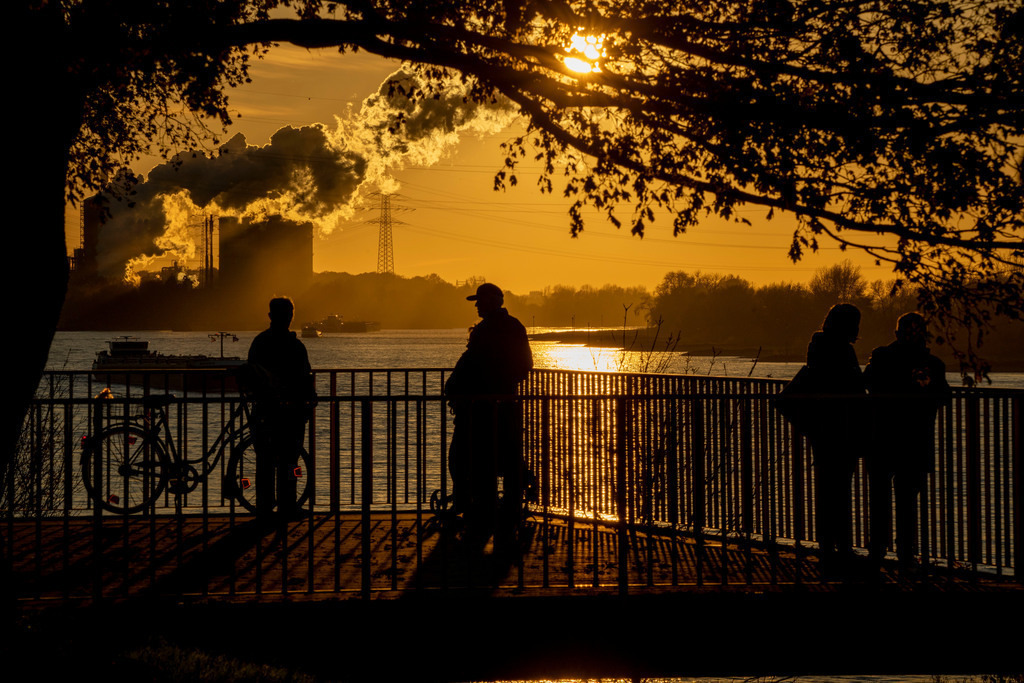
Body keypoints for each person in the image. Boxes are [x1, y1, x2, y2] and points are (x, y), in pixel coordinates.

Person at [444, 283, 533, 547]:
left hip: (481, 405)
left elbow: (473, 363)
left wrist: (460, 388)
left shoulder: (487, 331)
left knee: (467, 457)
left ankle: (476, 508)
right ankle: (506, 509)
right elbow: (524, 364)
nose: (476, 305)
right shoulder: (513, 327)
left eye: (480, 300)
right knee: (505, 455)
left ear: (494, 300)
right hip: (503, 403)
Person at [864, 312, 950, 572]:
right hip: (915, 439)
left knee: (879, 497)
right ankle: (906, 554)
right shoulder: (932, 364)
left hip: (881, 436)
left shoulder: (881, 357)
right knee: (908, 499)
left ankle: (877, 552)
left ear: (896, 333)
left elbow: (867, 384)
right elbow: (943, 396)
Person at [802, 303, 866, 577]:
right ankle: (841, 549)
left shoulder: (817, 345)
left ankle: (829, 548)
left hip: (823, 425)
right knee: (840, 488)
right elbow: (853, 383)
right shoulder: (842, 349)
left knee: (828, 488)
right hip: (842, 425)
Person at [246, 296, 316, 520]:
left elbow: (252, 376)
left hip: (264, 411)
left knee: (264, 463)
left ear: (270, 316)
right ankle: (289, 505)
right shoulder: (295, 346)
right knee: (290, 463)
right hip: (291, 413)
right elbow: (305, 378)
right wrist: (309, 402)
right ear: (290, 316)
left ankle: (265, 508)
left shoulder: (259, 342)